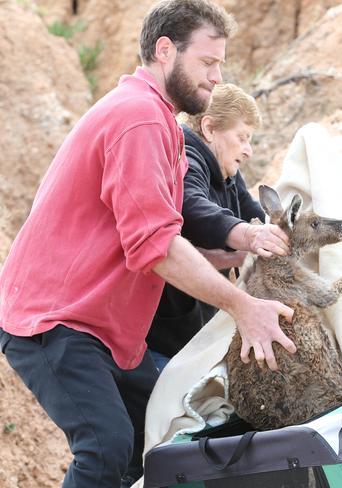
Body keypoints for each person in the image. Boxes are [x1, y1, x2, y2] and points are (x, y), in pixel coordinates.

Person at [0, 1, 296, 487]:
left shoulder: (159, 122)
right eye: (207, 62)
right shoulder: (137, 118)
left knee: (161, 431)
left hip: (106, 328)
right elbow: (156, 246)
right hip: (55, 319)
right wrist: (244, 306)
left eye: (220, 64)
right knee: (106, 447)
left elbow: (174, 235)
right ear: (165, 51)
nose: (218, 77)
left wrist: (246, 241)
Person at [147, 83, 286, 371]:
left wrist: (282, 233)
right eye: (242, 137)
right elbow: (194, 209)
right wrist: (247, 237)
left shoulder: (227, 170)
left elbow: (253, 213)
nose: (248, 150)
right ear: (209, 129)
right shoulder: (185, 159)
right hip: (160, 339)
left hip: (194, 327)